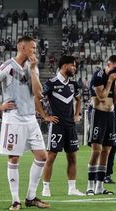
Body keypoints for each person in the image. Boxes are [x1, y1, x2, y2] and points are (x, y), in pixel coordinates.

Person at [0, 36, 50, 211]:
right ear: (22, 47)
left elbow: (38, 94)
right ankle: (16, 200)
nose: (35, 51)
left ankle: (31, 197)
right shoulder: (7, 67)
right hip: (14, 119)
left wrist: (33, 70)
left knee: (42, 156)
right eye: (32, 48)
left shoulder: (32, 67)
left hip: (30, 118)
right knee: (14, 157)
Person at [35, 55, 85, 197]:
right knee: (51, 157)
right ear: (64, 66)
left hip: (70, 126)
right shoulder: (51, 83)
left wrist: (77, 114)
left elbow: (78, 99)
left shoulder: (73, 84)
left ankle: (72, 189)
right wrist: (45, 116)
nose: (75, 68)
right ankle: (45, 188)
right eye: (73, 65)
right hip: (56, 125)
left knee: (72, 157)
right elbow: (36, 98)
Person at [86, 55, 116, 195]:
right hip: (98, 114)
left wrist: (115, 83)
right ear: (109, 64)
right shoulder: (99, 75)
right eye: (115, 68)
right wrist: (109, 82)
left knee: (106, 151)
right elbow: (101, 96)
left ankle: (100, 186)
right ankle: (90, 185)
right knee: (96, 149)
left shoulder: (115, 79)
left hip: (110, 115)